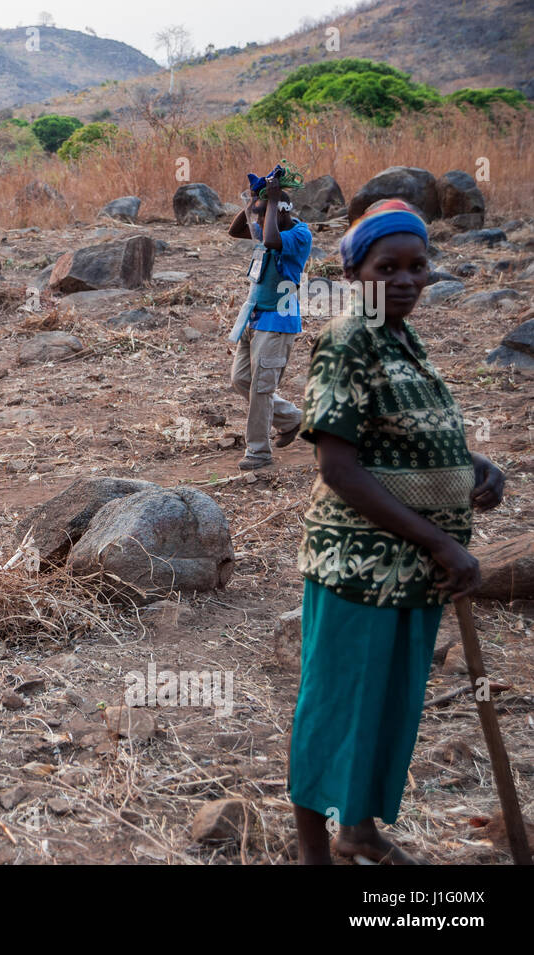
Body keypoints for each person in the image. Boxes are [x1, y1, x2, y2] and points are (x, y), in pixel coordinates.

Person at [288, 199, 505, 864]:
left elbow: (404, 432)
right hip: (361, 565)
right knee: (336, 708)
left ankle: (360, 830)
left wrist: (475, 464)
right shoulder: (350, 339)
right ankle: (314, 849)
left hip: (414, 568)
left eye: (419, 266)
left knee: (387, 705)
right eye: (390, 267)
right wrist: (442, 541)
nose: (408, 279)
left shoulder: (403, 337)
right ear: (356, 273)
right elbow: (339, 464)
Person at [226, 168, 313, 470]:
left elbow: (273, 239)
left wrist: (273, 201)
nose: (259, 223)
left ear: (283, 211)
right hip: (254, 316)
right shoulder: (267, 227)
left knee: (261, 389)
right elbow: (235, 231)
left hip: (278, 321)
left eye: (264, 216)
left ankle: (259, 452)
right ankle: (293, 419)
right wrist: (254, 200)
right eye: (259, 216)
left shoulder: (298, 234)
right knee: (242, 381)